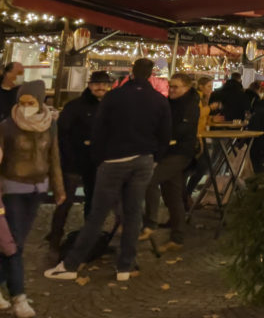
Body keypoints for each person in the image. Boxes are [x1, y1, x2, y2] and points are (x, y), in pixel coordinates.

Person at [45, 58, 171, 283]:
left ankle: (72, 264)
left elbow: (99, 130)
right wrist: (154, 158)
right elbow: (164, 134)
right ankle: (125, 266)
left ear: (132, 73)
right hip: (143, 160)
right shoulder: (159, 100)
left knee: (97, 214)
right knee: (132, 215)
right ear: (152, 74)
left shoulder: (115, 96)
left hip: (114, 161)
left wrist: (100, 157)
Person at [0, 80, 64, 318]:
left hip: (37, 190)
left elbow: (54, 157)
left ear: (40, 102)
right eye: (22, 102)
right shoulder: (7, 126)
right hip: (12, 189)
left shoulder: (50, 126)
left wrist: (59, 188)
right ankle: (19, 298)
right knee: (13, 245)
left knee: (16, 243)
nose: (26, 107)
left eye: (30, 102)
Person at [48, 70, 112, 250]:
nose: (101, 87)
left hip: (96, 163)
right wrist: (69, 155)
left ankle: (89, 238)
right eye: (97, 84)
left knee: (93, 201)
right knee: (65, 201)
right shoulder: (75, 106)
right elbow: (62, 134)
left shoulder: (110, 107)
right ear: (90, 85)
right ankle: (55, 235)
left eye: (104, 84)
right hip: (74, 162)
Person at [140, 73, 199, 252]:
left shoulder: (190, 105)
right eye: (170, 86)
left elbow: (181, 129)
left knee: (149, 180)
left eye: (176, 87)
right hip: (168, 152)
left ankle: (150, 223)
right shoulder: (169, 103)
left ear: (186, 88)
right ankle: (177, 237)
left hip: (180, 153)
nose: (172, 90)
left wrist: (162, 135)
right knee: (172, 195)